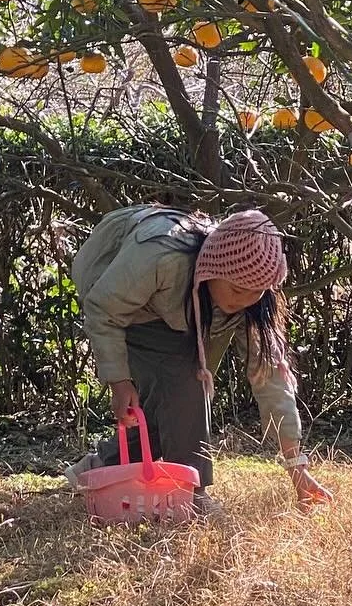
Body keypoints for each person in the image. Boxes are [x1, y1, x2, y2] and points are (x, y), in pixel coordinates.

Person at [69, 203, 331, 511]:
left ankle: (96, 472)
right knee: (186, 385)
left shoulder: (254, 299)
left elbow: (270, 377)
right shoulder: (161, 258)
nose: (244, 300)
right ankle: (192, 497)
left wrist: (297, 469)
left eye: (256, 292)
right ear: (212, 270)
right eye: (236, 289)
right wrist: (119, 380)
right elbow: (104, 310)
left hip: (175, 309)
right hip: (117, 296)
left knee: (170, 407)